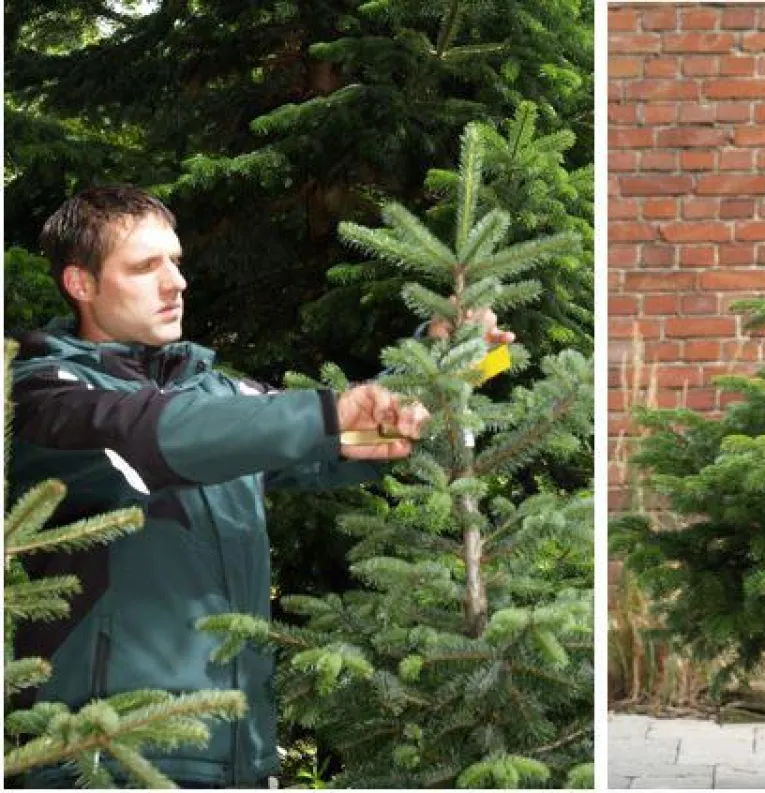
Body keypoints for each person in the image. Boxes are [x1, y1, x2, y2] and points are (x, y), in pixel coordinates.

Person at [7, 185, 509, 788]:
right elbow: (144, 437)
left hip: (240, 754)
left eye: (175, 261)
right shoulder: (45, 397)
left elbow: (340, 443)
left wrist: (449, 360)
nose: (175, 283)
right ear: (80, 284)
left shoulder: (218, 394)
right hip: (109, 757)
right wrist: (327, 412)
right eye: (145, 267)